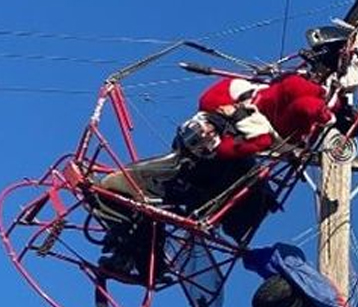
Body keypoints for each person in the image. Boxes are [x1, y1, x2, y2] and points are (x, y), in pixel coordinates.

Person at [95, 74, 335, 281]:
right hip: (196, 183)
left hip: (212, 187)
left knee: (123, 188)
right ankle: (133, 253)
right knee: (128, 189)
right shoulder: (232, 116)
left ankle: (138, 255)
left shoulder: (248, 131)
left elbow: (259, 136)